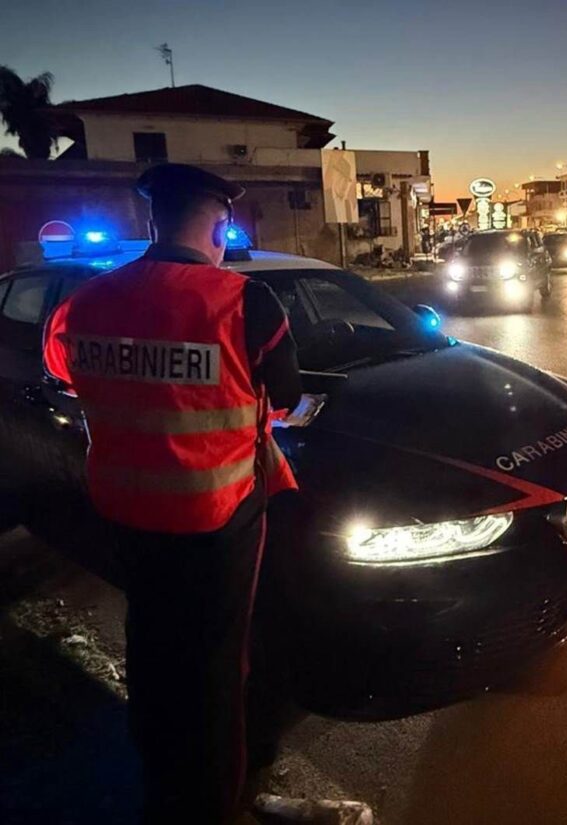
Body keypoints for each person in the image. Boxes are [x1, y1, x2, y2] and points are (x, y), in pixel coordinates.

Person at [43, 164, 370, 824]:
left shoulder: (85, 302)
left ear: (151, 222)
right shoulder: (242, 302)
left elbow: (65, 370)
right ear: (219, 225)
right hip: (215, 519)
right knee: (218, 668)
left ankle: (161, 786)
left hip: (128, 515)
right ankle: (214, 808)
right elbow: (283, 395)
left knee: (154, 647)